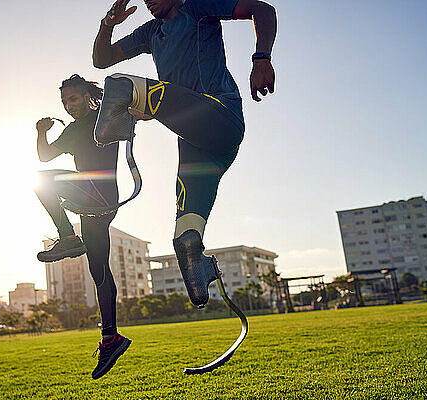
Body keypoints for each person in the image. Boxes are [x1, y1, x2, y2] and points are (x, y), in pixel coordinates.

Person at [92, 0, 277, 306]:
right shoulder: (150, 33)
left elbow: (263, 10)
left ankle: (118, 119)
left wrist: (261, 59)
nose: (148, 0)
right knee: (186, 236)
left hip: (220, 115)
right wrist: (107, 24)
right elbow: (102, 59)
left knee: (120, 87)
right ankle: (198, 270)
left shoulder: (197, 8)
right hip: (200, 148)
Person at [34, 74, 131, 379]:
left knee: (40, 180)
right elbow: (46, 153)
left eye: (73, 99)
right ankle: (111, 338)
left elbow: (131, 109)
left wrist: (133, 110)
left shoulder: (106, 116)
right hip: (93, 209)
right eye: (64, 102)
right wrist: (40, 132)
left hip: (99, 193)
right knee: (99, 270)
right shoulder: (74, 130)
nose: (68, 106)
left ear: (89, 96)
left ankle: (67, 238)